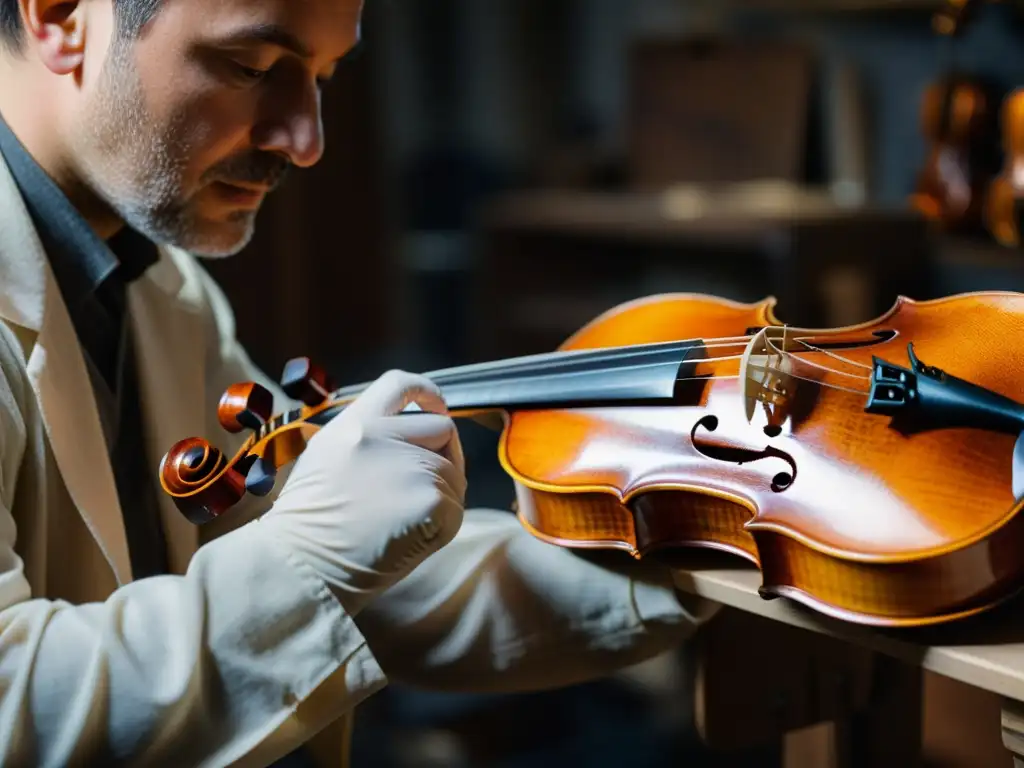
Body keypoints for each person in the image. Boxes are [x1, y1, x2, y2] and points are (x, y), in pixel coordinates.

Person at [0, 0, 719, 765]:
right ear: (62, 17)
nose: (306, 142)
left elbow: (367, 590)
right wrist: (312, 554)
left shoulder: (162, 286)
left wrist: (700, 539)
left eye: (323, 76)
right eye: (252, 68)